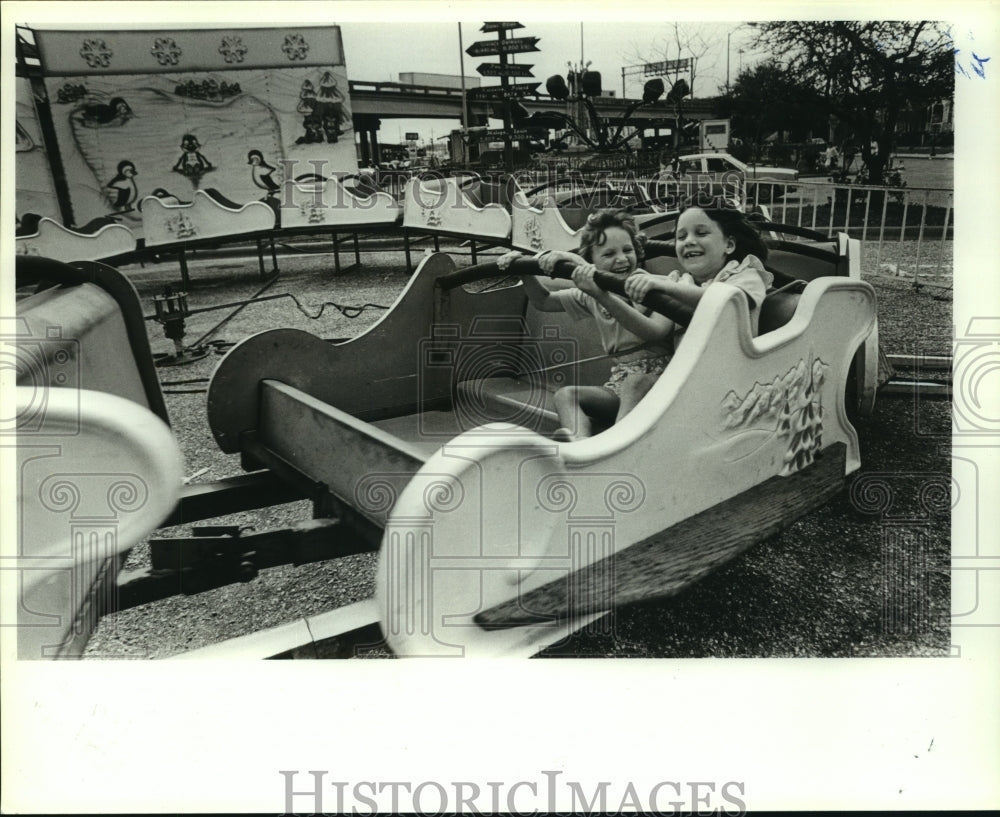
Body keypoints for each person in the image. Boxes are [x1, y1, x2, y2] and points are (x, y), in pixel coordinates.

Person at [512, 210, 676, 442]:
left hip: (662, 382)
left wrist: (595, 287)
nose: (621, 259)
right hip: (620, 383)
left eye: (627, 250)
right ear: (593, 261)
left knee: (636, 381)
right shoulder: (592, 294)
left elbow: (653, 330)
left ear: (637, 251)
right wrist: (524, 270)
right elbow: (543, 301)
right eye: (609, 254)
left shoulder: (653, 285)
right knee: (565, 395)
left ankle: (615, 445)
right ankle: (579, 442)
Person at [622, 206, 773, 347]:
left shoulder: (746, 275)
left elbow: (727, 301)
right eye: (681, 237)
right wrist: (612, 296)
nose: (688, 241)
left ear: (729, 245)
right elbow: (655, 331)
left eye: (701, 233)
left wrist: (665, 286)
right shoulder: (681, 282)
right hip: (690, 371)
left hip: (735, 370)